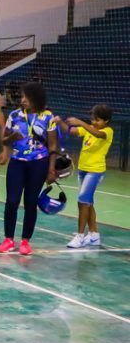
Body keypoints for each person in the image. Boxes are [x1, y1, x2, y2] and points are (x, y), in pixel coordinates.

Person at [0, 82, 58, 255]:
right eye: (22, 96)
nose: (23, 100)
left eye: (27, 97)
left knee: (31, 203)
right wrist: (10, 141)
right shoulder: (14, 115)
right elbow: (4, 140)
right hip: (17, 162)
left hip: (39, 164)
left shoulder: (48, 117)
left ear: (36, 98)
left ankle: (25, 241)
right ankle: (9, 239)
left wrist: (51, 169)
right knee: (12, 201)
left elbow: (52, 145)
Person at [57, 105, 113, 248]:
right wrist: (60, 122)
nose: (94, 122)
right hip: (83, 170)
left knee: (82, 202)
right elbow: (71, 130)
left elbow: (97, 134)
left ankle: (80, 236)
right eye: (92, 119)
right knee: (88, 203)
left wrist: (82, 123)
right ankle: (94, 235)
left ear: (106, 121)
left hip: (95, 171)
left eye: (98, 120)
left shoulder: (108, 131)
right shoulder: (89, 129)